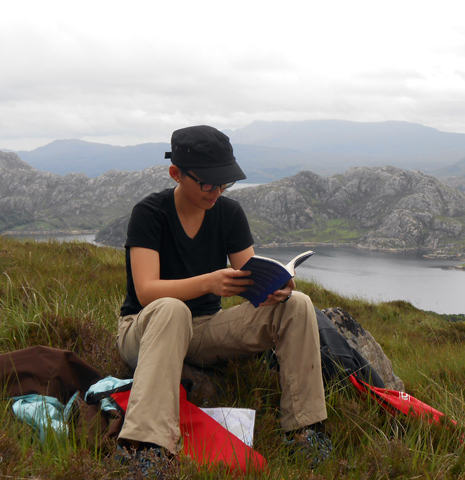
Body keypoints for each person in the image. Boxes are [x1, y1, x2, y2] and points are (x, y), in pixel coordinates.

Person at [115, 125, 330, 470]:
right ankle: (147, 447)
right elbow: (147, 291)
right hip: (145, 331)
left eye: (224, 183)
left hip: (203, 330)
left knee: (298, 304)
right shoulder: (150, 213)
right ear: (176, 174)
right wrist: (208, 283)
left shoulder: (228, 213)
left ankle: (305, 429)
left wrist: (275, 288)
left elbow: (248, 276)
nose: (217, 191)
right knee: (171, 309)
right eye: (208, 183)